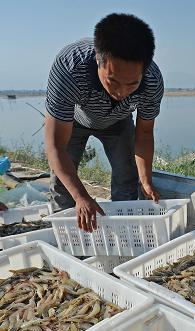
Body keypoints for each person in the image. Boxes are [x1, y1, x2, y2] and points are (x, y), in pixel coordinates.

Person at [45, 13, 163, 232]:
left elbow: (145, 134)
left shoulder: (152, 81)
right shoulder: (70, 67)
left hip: (119, 122)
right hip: (73, 122)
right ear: (98, 60)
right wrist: (81, 196)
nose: (121, 91)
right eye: (113, 81)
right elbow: (56, 146)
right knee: (64, 186)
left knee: (128, 179)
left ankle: (122, 235)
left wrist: (145, 179)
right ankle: (66, 237)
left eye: (132, 84)